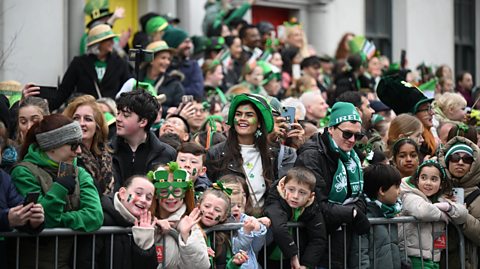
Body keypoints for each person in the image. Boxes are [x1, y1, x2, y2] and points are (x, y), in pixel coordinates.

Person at [11, 114, 103, 268]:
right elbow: (42, 220)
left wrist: (61, 219)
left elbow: (95, 216)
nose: (79, 151)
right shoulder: (23, 172)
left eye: (80, 144)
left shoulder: (80, 172)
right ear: (52, 146)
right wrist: (59, 189)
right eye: (73, 145)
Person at [295, 102, 371, 268]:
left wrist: (355, 210)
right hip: (317, 248)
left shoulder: (353, 158)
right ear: (331, 129)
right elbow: (315, 204)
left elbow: (359, 197)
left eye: (357, 136)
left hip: (344, 245)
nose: (352, 140)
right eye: (347, 134)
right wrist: (352, 213)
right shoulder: (311, 156)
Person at [207, 94, 275, 209]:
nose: (242, 118)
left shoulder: (273, 155)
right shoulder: (216, 153)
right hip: (227, 222)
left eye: (249, 115)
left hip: (260, 223)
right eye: (238, 114)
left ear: (259, 123)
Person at [399, 159, 467, 268]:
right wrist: (441, 215)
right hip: (413, 257)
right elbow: (423, 211)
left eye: (434, 179)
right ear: (417, 180)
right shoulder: (409, 195)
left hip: (434, 258)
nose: (428, 183)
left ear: (441, 184)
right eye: (423, 178)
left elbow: (463, 214)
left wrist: (448, 207)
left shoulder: (440, 199)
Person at [51, 24, 131, 110]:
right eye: (108, 39)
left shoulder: (120, 63)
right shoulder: (79, 63)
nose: (112, 42)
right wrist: (49, 108)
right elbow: (65, 90)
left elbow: (128, 88)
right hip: (86, 111)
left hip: (110, 113)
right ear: (98, 43)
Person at [149, 162, 210, 269]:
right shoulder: (146, 221)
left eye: (177, 191)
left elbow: (202, 266)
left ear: (184, 194)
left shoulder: (191, 225)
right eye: (164, 191)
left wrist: (186, 235)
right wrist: (154, 225)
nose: (171, 197)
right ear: (156, 194)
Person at [113, 90, 176, 190]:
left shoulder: (166, 154)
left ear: (143, 122)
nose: (118, 119)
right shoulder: (107, 151)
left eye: (125, 115)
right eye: (118, 113)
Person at [264, 167, 327, 269]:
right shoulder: (275, 201)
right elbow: (279, 229)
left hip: (295, 261)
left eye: (302, 192)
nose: (295, 196)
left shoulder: (312, 208)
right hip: (268, 258)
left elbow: (318, 238)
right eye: (291, 190)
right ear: (283, 187)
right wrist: (294, 255)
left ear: (311, 196)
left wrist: (306, 265)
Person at [0, 135, 44, 268]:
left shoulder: (4, 178)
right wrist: (6, 218)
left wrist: (33, 220)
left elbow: (17, 204)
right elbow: (7, 216)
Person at [350, 163, 404, 269]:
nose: (399, 192)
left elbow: (396, 245)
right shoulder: (365, 218)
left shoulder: (390, 215)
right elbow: (360, 253)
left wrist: (404, 262)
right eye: (397, 187)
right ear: (382, 190)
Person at [97, 175, 157, 268]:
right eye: (138, 193)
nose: (143, 200)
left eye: (149, 198)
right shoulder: (101, 218)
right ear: (122, 193)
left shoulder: (144, 226)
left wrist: (144, 243)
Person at [438, 137, 480, 268]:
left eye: (467, 159)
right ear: (446, 162)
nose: (460, 162)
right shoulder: (435, 190)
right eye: (455, 157)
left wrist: (461, 215)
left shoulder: (477, 196)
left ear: (473, 165)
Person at [63, 95, 113, 195]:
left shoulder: (105, 156)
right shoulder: (66, 156)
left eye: (88, 119)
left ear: (97, 126)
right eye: (76, 118)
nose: (81, 123)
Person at [221, 174, 268, 269]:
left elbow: (256, 247)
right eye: (232, 205)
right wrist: (246, 232)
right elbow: (236, 249)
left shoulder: (245, 218)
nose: (236, 209)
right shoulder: (222, 222)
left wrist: (258, 229)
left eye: (239, 205)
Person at [198, 185, 249, 268]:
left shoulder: (223, 239)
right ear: (198, 206)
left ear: (224, 216)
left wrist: (234, 263)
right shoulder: (188, 230)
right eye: (207, 206)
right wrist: (197, 253)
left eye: (217, 210)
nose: (211, 211)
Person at [164, 27, 205, 98]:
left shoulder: (193, 66)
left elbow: (197, 91)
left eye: (189, 42)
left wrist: (173, 91)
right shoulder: (164, 66)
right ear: (174, 43)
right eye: (185, 42)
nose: (189, 46)